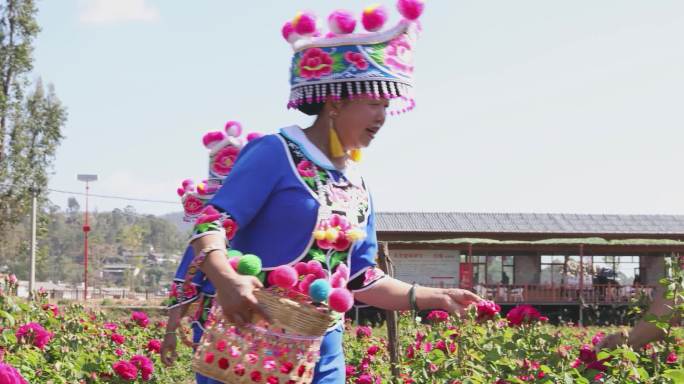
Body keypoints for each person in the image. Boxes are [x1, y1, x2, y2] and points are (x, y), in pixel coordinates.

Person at [180, 3, 482, 383]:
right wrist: (226, 279)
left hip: (323, 348)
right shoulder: (276, 152)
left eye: (387, 106)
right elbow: (211, 223)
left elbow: (362, 277)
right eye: (374, 103)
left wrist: (431, 296)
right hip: (252, 342)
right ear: (336, 102)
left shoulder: (357, 185)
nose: (382, 117)